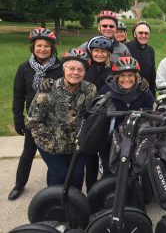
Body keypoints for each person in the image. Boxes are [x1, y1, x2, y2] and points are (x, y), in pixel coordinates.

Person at [26, 49, 96, 190]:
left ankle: (75, 204)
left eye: (80, 70)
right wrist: (52, 142)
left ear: (84, 72)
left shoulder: (90, 90)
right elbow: (33, 121)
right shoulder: (48, 90)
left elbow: (93, 115)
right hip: (50, 143)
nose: (75, 72)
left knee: (76, 176)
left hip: (76, 144)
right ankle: (54, 205)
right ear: (64, 69)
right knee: (60, 175)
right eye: (71, 68)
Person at [8, 28, 63, 201]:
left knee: (53, 154)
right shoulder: (24, 68)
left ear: (52, 48)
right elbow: (18, 95)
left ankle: (51, 189)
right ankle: (19, 184)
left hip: (54, 119)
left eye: (47, 46)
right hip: (34, 120)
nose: (43, 49)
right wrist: (18, 119)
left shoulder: (60, 67)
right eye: (39, 45)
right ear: (33, 47)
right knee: (28, 153)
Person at [83, 36, 114, 191]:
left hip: (108, 117)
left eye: (103, 51)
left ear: (108, 54)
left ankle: (106, 189)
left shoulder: (112, 70)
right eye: (96, 51)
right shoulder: (85, 69)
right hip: (89, 116)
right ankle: (91, 189)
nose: (100, 54)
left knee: (107, 154)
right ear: (91, 52)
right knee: (90, 157)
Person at [125, 21, 156, 96]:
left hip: (146, 92)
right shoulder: (126, 47)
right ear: (135, 34)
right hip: (129, 92)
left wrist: (153, 95)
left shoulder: (150, 50)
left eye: (146, 33)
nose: (143, 35)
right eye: (140, 33)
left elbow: (152, 74)